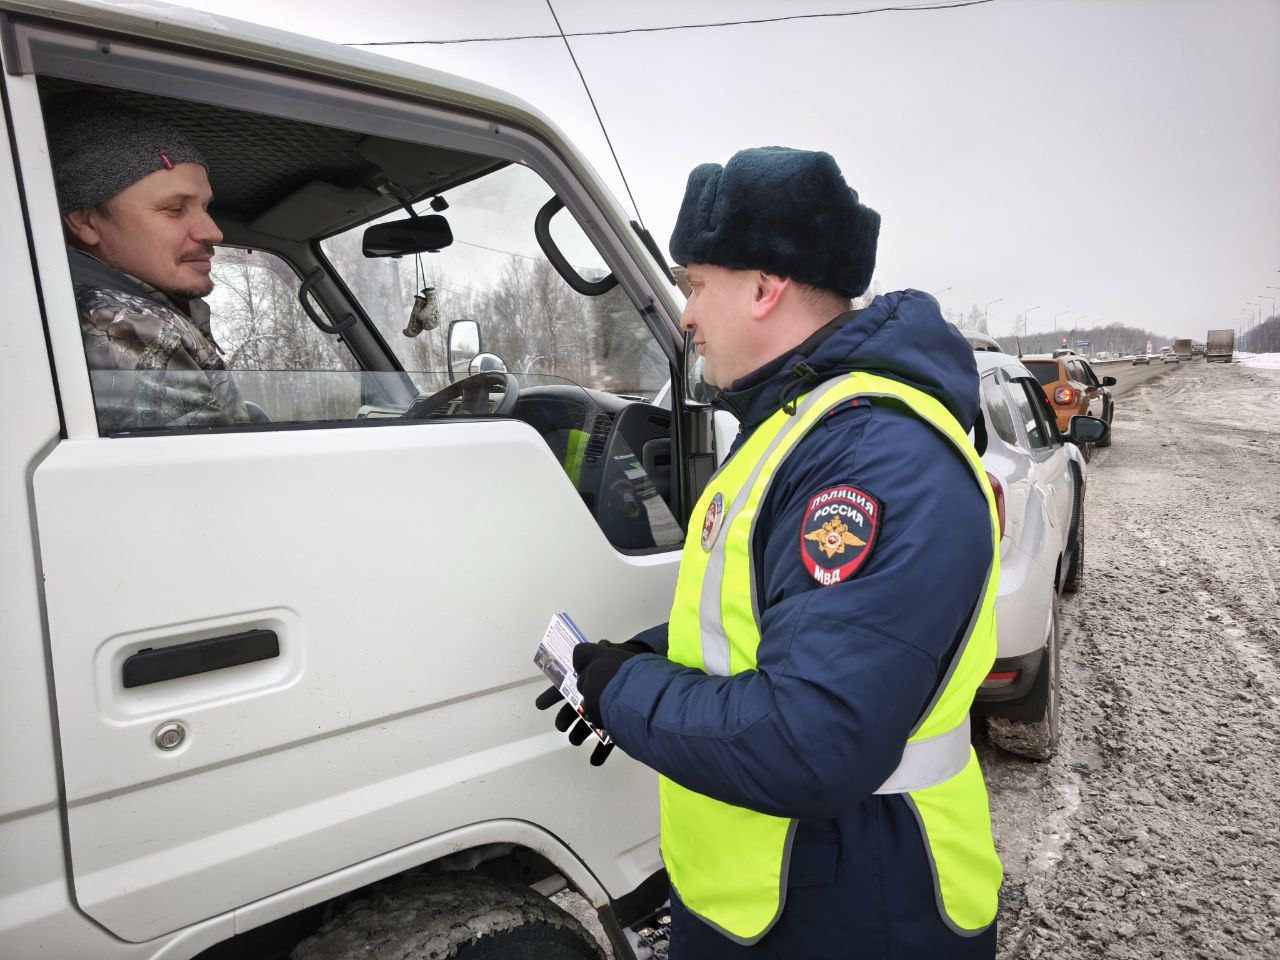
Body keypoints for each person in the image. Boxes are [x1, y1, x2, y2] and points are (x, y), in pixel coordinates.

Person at [538, 147, 1002, 957]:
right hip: (771, 898)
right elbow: (776, 617)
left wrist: (627, 695)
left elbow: (811, 741)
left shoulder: (872, 455)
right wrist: (641, 658)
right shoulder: (796, 426)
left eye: (694, 285)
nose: (685, 316)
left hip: (855, 908)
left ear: (764, 287)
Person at [48, 93, 249, 432]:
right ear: (84, 221)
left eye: (205, 207)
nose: (213, 232)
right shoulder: (127, 329)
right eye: (174, 209)